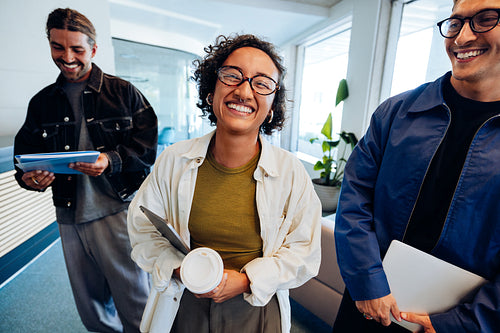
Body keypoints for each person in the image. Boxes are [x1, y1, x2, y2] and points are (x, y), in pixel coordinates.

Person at [127, 34, 322, 333]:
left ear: (272, 107)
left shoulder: (290, 172)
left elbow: (304, 252)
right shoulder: (174, 159)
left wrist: (246, 281)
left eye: (261, 83)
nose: (244, 91)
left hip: (255, 311)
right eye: (232, 76)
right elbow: (142, 227)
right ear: (211, 90)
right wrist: (183, 270)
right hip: (184, 305)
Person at [333, 0, 500, 332]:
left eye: (485, 19)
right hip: (369, 303)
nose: (462, 37)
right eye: (455, 23)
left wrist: (461, 323)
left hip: (456, 322)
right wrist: (368, 283)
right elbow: (354, 198)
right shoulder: (396, 113)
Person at [13, 8, 157, 333]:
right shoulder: (41, 103)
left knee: (136, 303)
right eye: (57, 47)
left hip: (116, 212)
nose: (67, 58)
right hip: (69, 216)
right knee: (91, 311)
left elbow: (147, 149)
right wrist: (30, 179)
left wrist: (111, 160)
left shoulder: (124, 93)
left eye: (77, 49)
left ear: (93, 49)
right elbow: (24, 157)